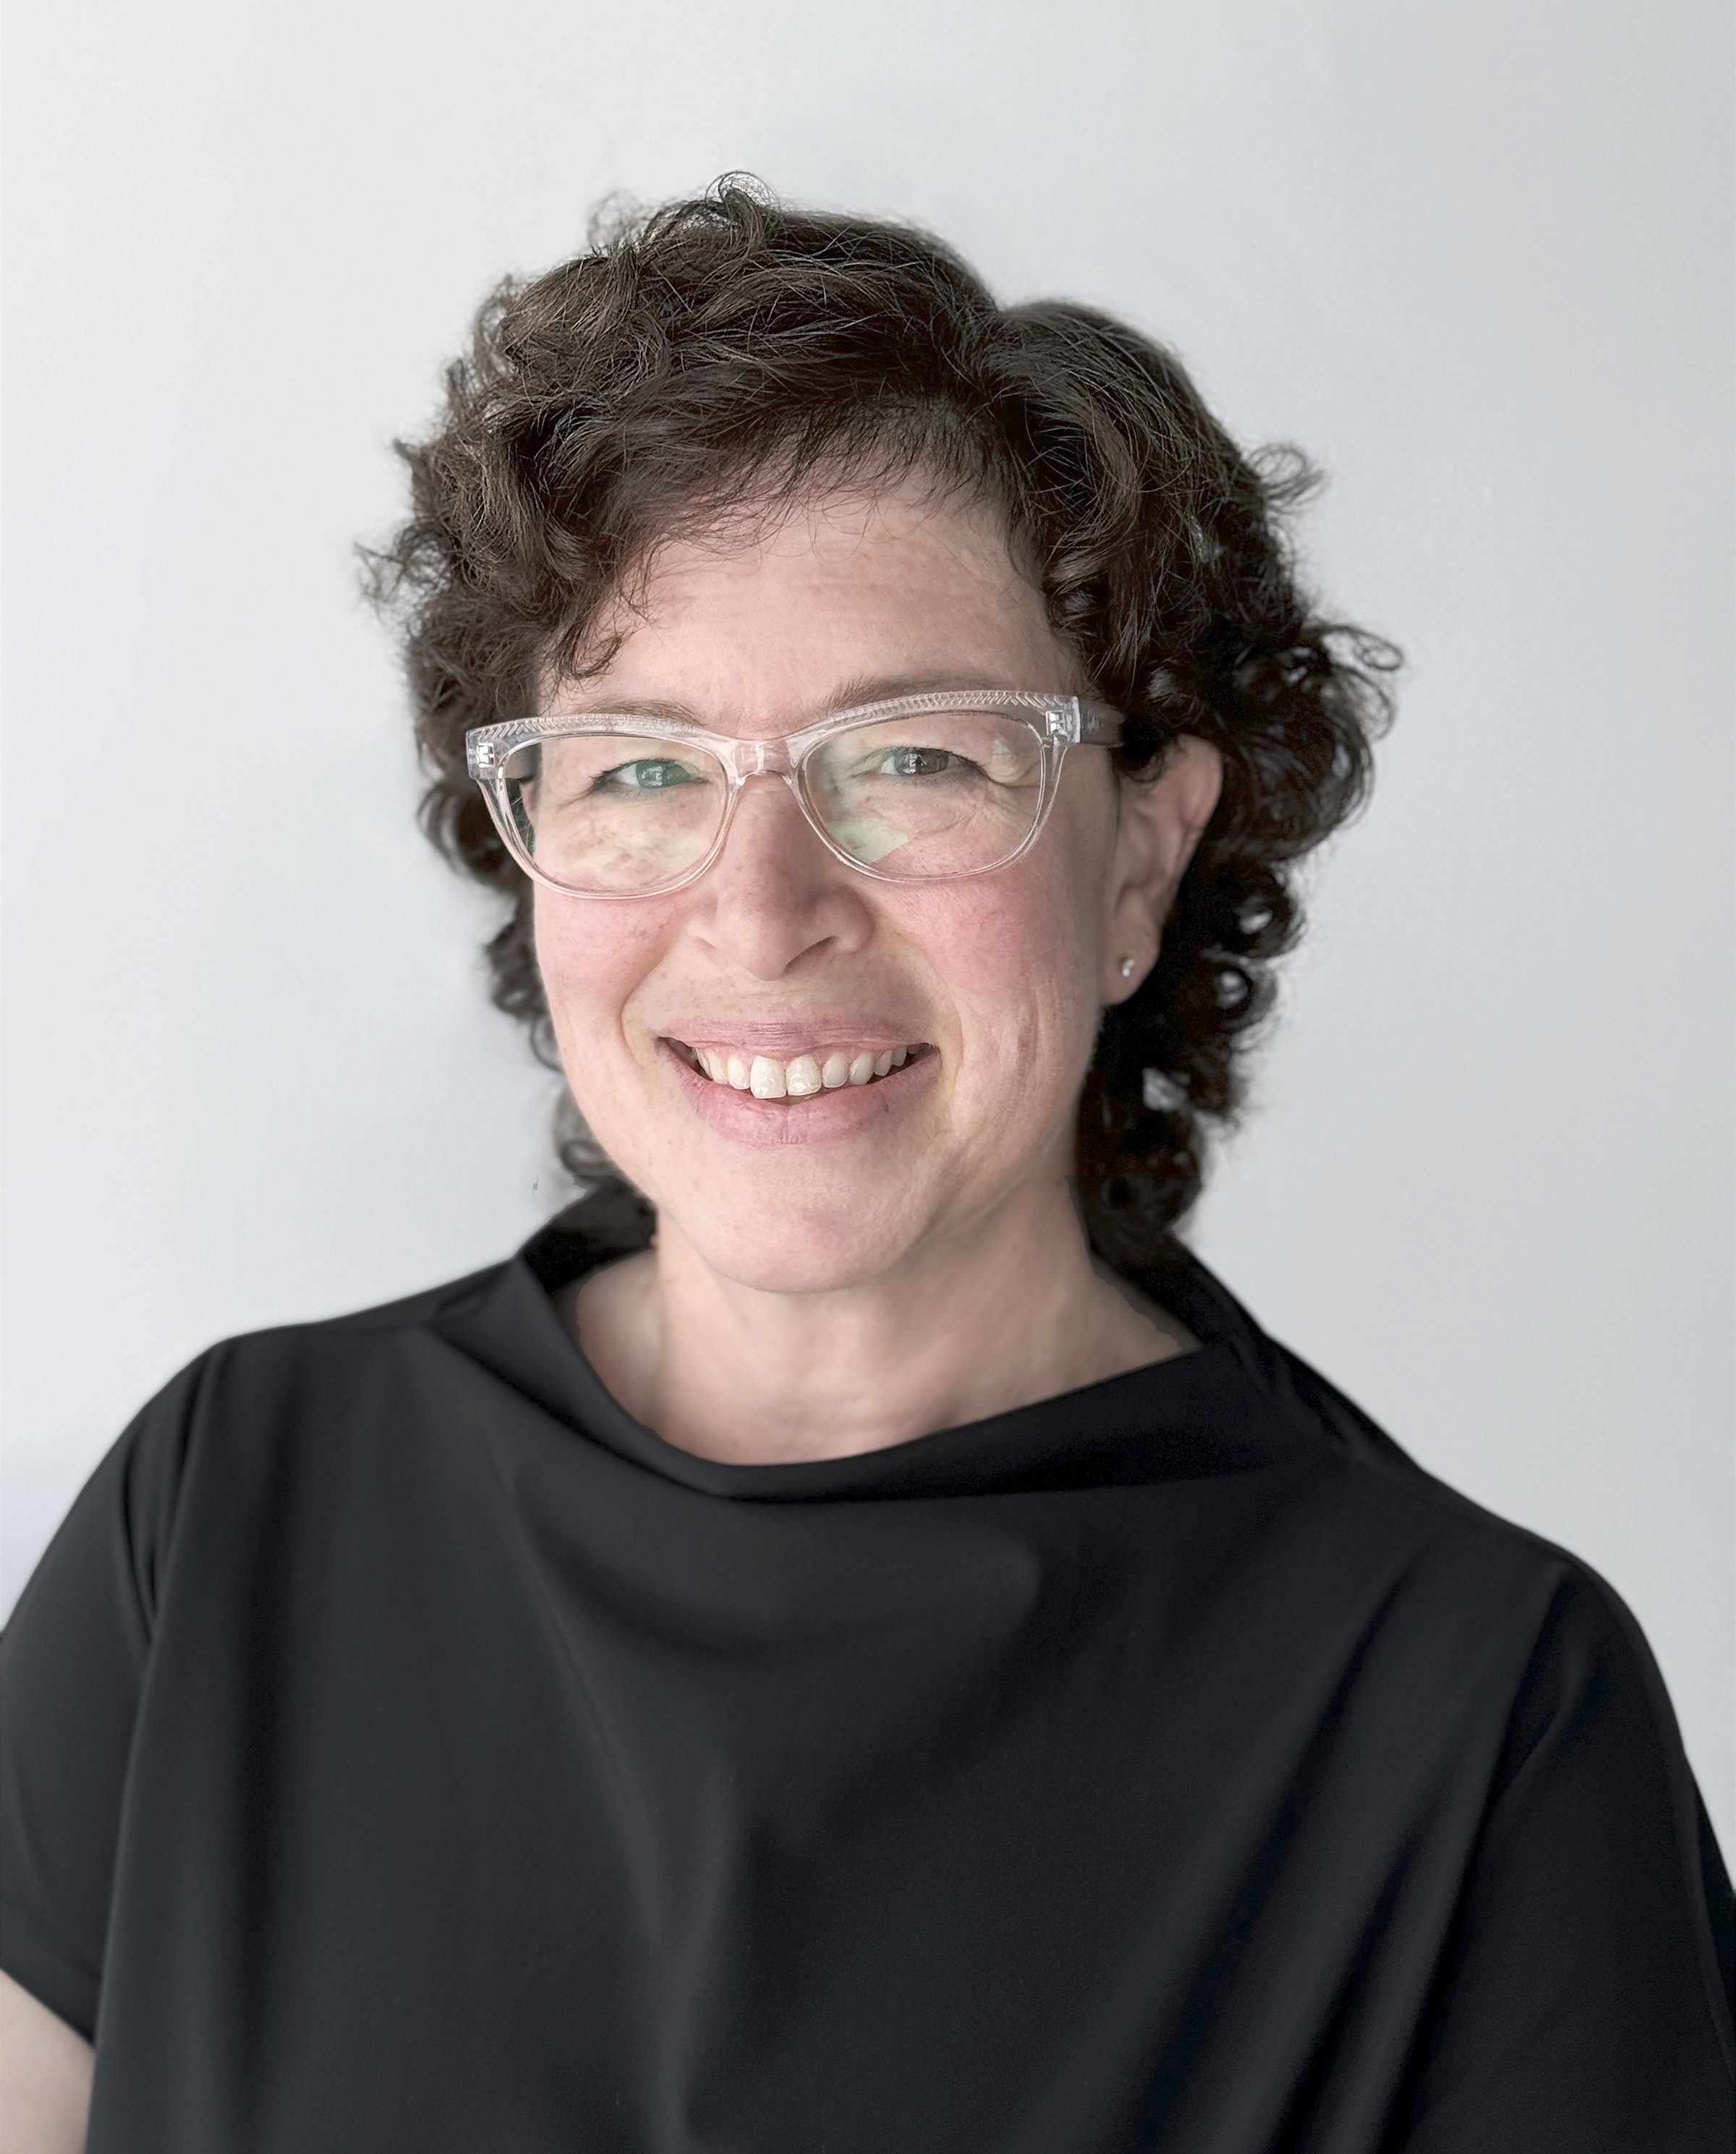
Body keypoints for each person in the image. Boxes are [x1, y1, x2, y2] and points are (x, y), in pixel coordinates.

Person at [1, 182, 1730, 2154]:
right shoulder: (226, 1508)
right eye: (641, 766)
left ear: (1141, 862)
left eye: (914, 759)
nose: (761, 913)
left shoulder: (1484, 1719)